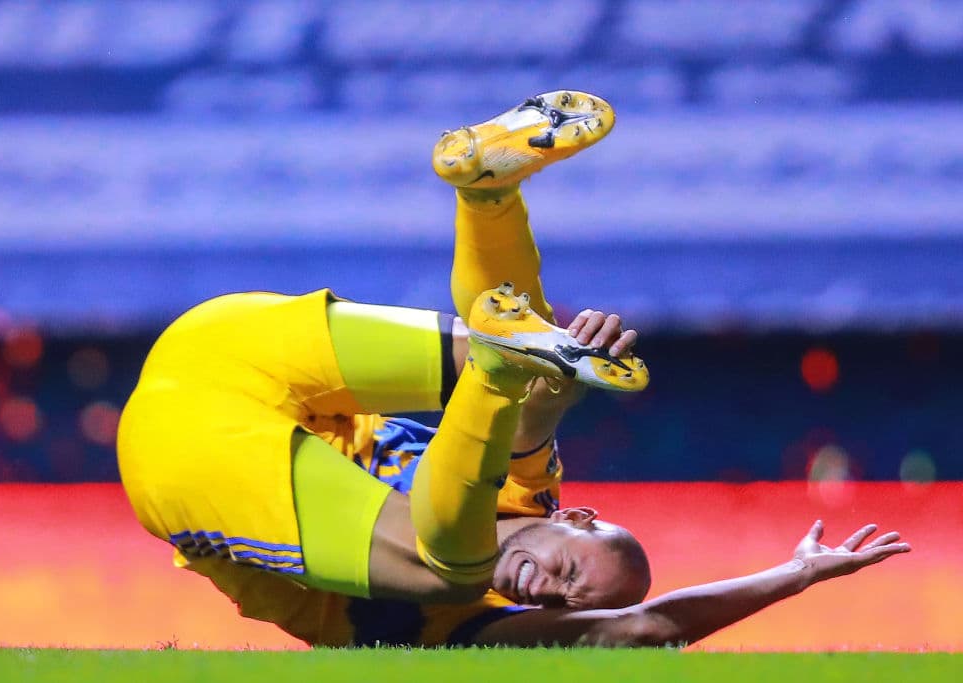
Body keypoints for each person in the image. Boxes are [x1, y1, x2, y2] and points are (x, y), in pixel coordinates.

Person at [117, 91, 910, 648]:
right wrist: (554, 390)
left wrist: (793, 576)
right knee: (514, 408)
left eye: (565, 604)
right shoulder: (531, 492)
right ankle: (491, 208)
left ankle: (499, 299)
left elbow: (646, 627)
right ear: (577, 517)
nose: (546, 590)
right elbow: (537, 438)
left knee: (451, 570)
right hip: (227, 349)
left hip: (188, 448)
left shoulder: (465, 624)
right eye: (571, 573)